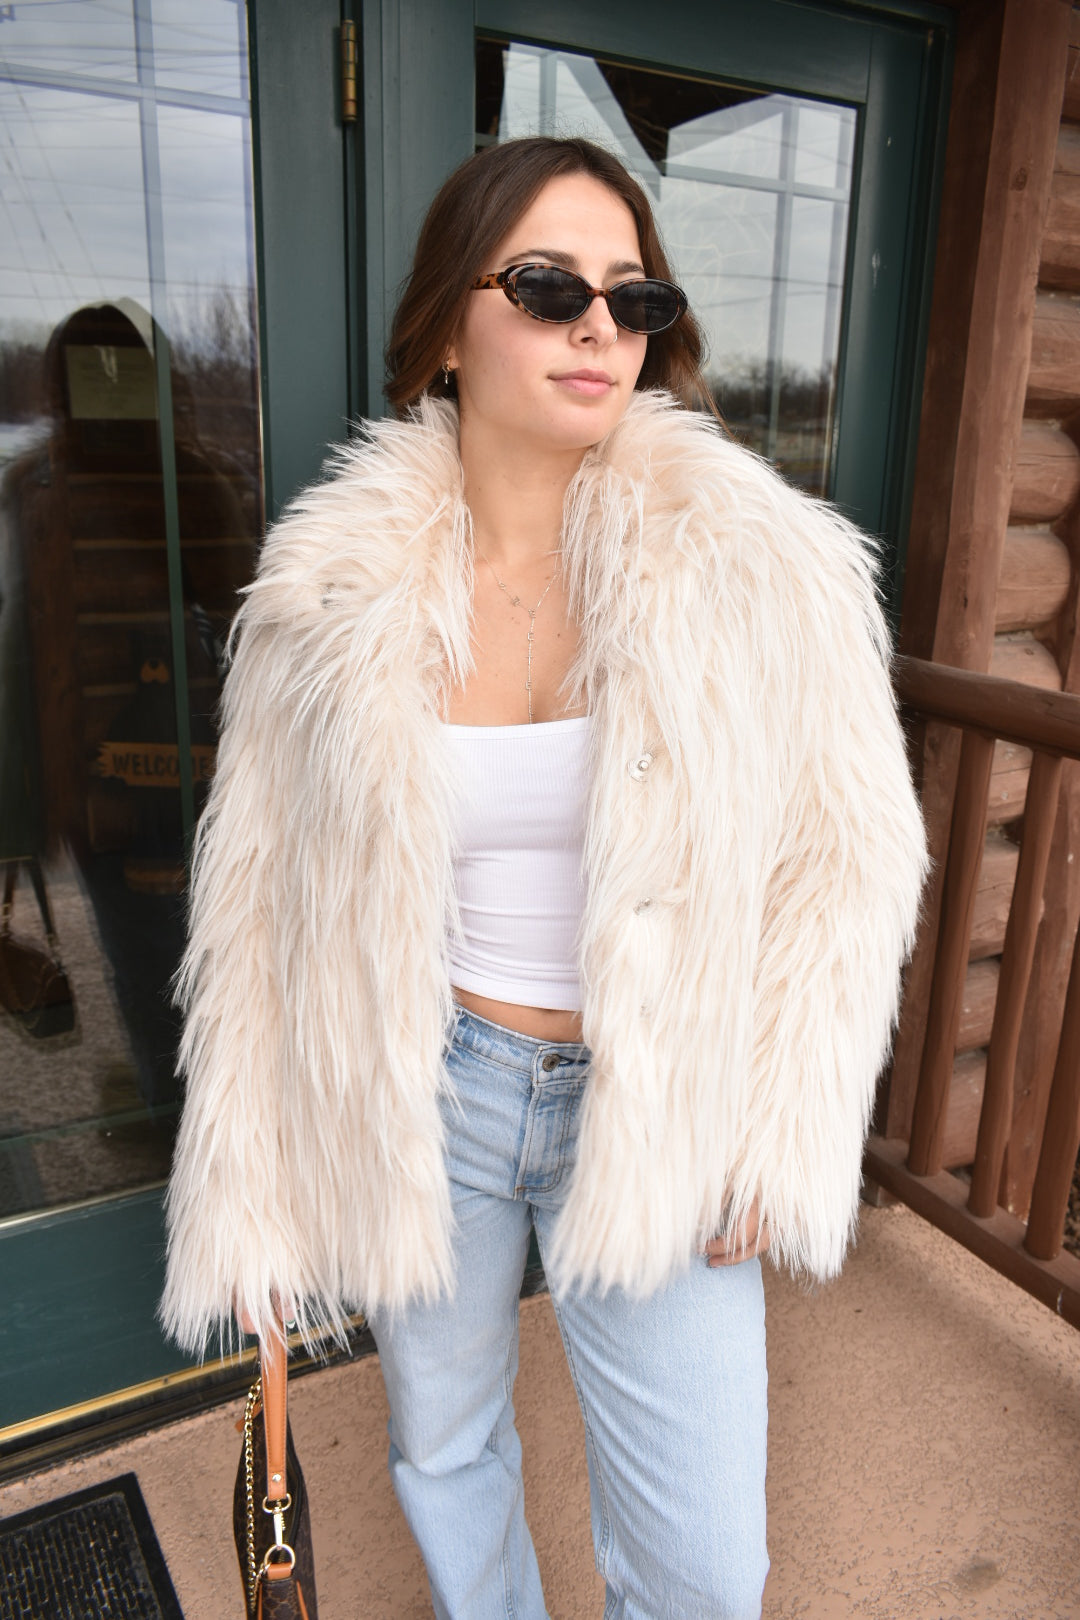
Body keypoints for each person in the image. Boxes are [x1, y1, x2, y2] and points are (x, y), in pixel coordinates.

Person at [161, 136, 927, 1618]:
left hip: (658, 1092)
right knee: (445, 1449)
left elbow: (850, 853)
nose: (599, 327)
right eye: (549, 286)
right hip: (433, 1083)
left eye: (633, 297)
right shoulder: (326, 596)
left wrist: (782, 1114)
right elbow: (253, 905)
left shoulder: (754, 567)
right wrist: (246, 1189)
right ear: (448, 328)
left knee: (706, 1571)